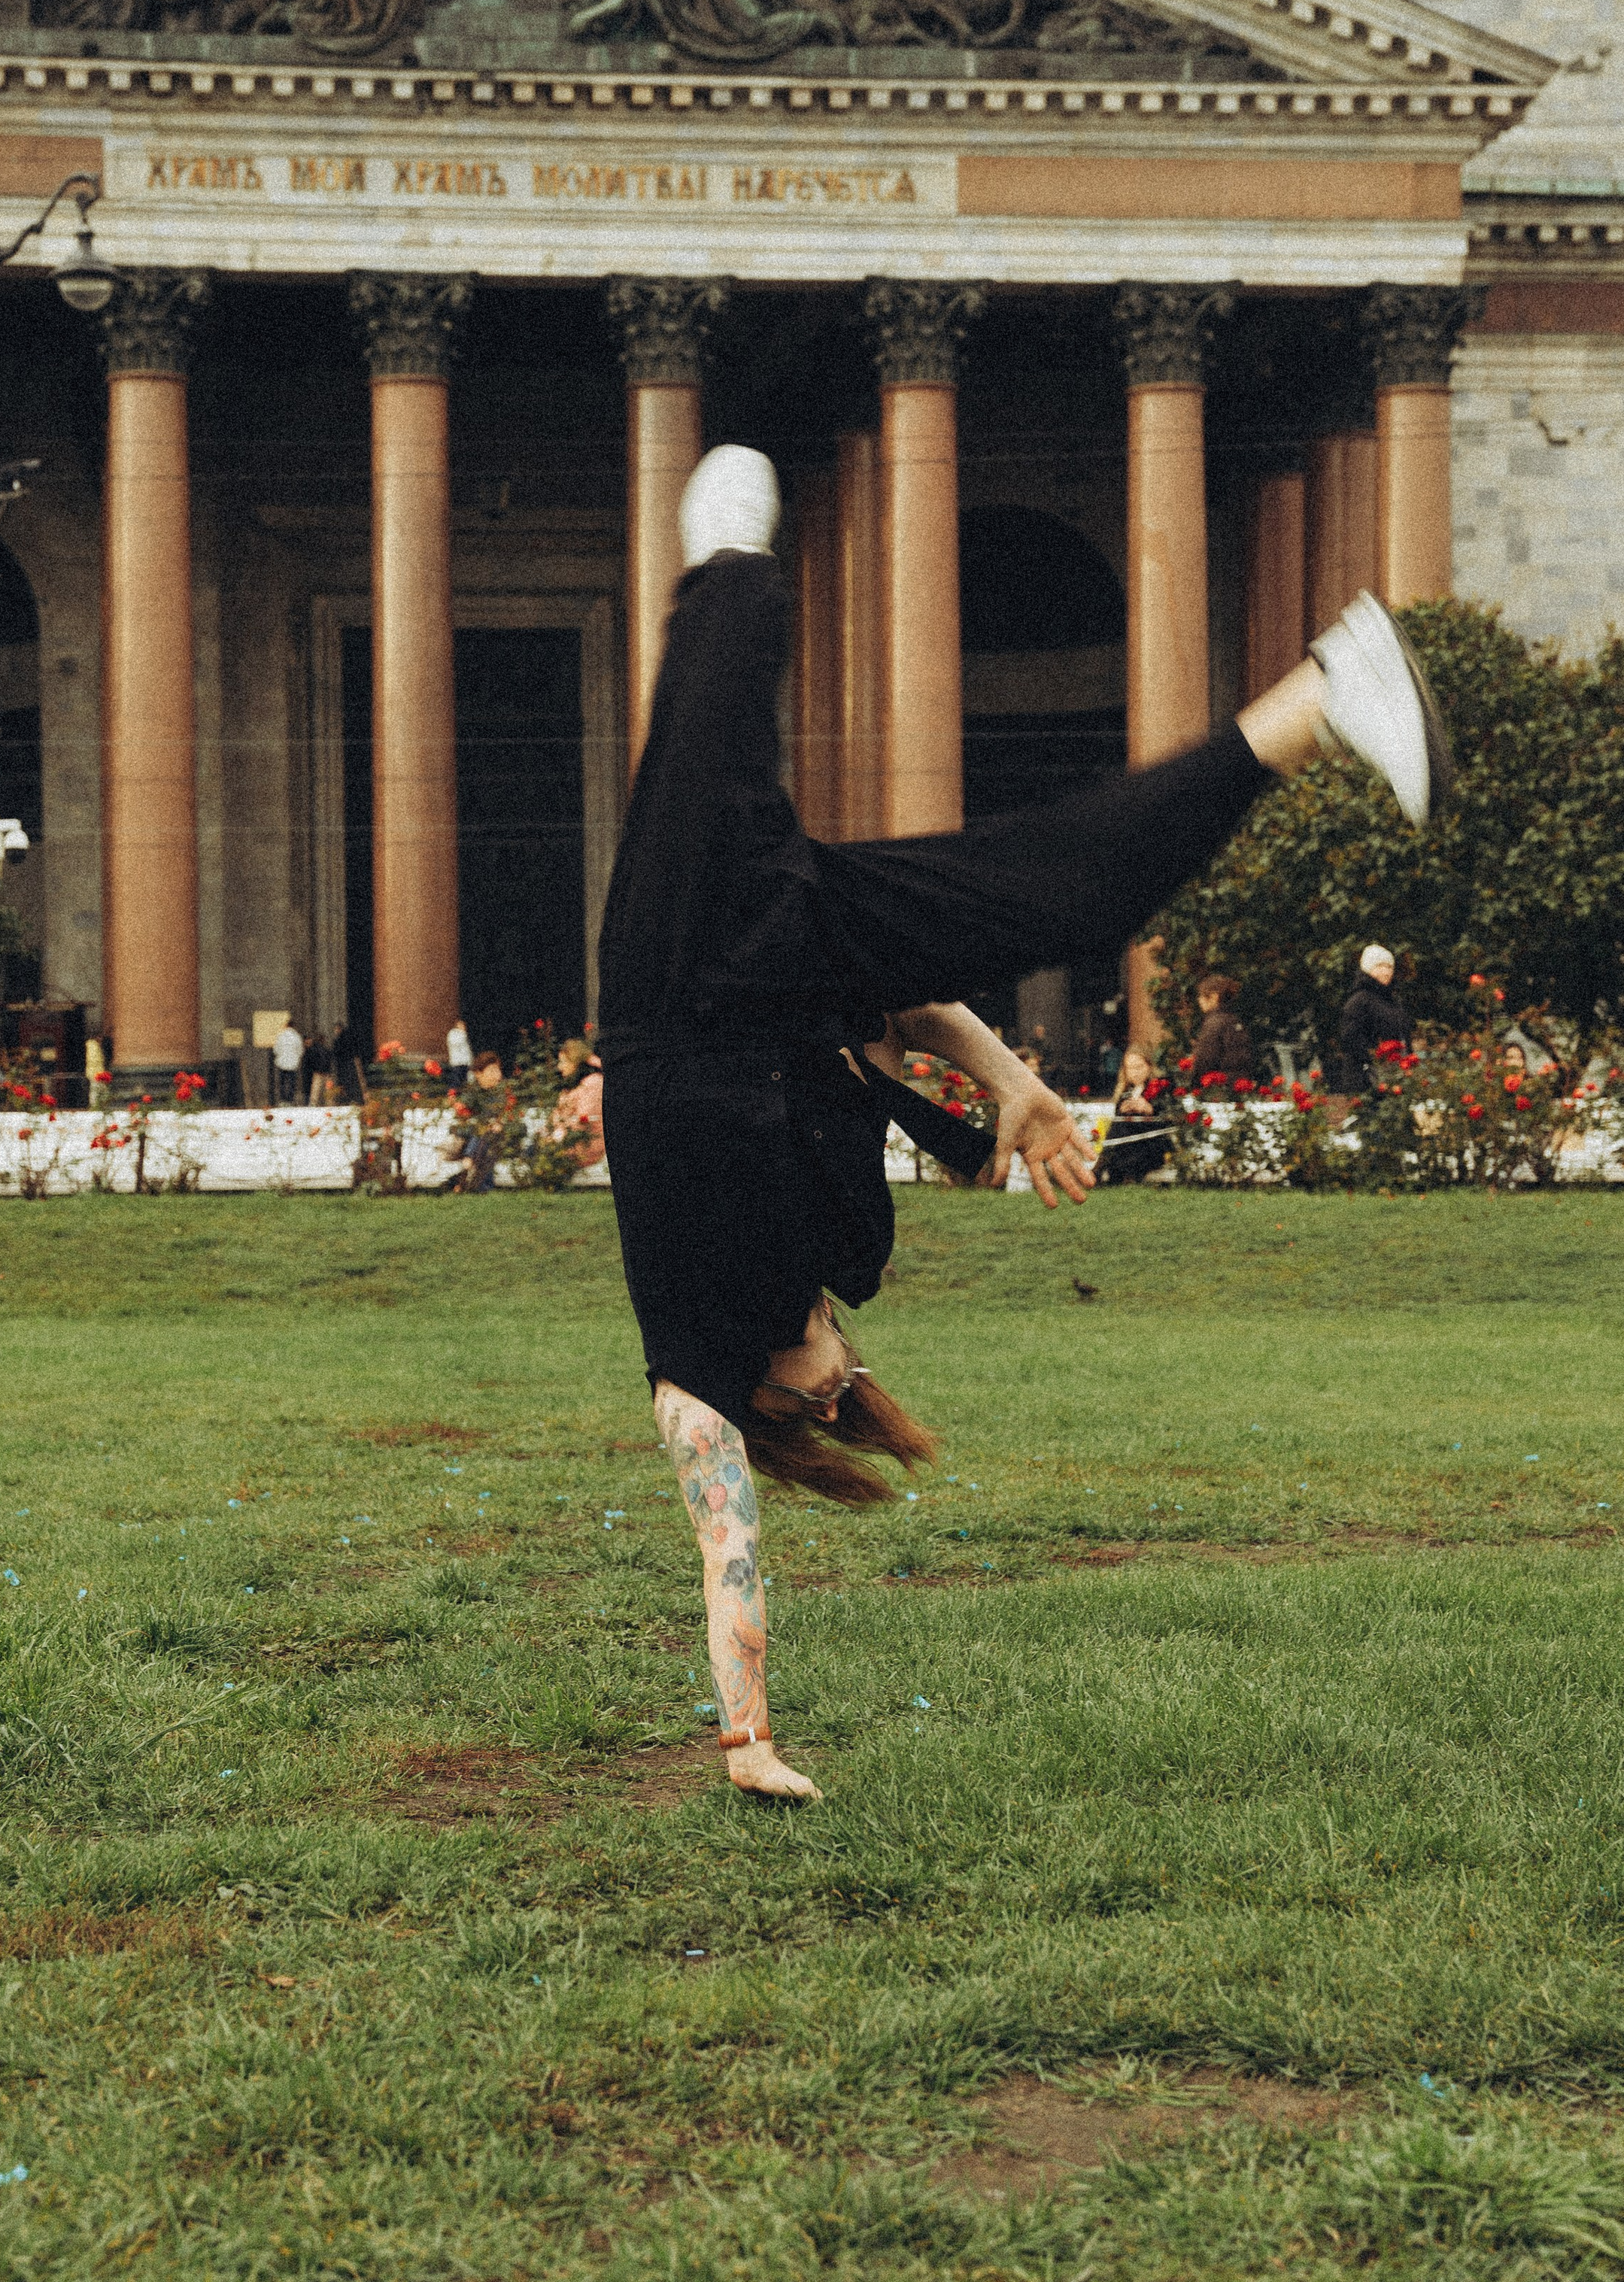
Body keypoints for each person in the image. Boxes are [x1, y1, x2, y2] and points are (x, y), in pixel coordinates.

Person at [597, 463, 1449, 1802]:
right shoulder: (841, 1241)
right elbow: (907, 1012)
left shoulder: (694, 1364)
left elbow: (726, 1549)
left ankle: (727, 566)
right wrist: (1018, 1090)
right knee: (1058, 899)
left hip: (665, 985)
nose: (833, 1388)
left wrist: (740, 1736)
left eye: (812, 1404)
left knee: (714, 717)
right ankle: (1319, 698)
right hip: (788, 967)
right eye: (838, 1398)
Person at [1332, 944, 1411, 1093]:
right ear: (1368, 969)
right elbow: (1350, 1038)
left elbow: (1404, 1037)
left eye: (1389, 967)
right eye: (1380, 966)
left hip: (1395, 1075)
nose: (1386, 972)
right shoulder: (1359, 1001)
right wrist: (1375, 1058)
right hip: (1366, 1079)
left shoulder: (1393, 1002)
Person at [1098, 1044, 1173, 1186]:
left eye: (1139, 1067)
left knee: (1119, 1126)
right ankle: (1103, 1168)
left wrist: (1149, 1110)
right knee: (1119, 1123)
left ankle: (1099, 1167)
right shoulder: (1126, 1091)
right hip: (1127, 1146)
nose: (1135, 1072)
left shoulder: (1161, 1086)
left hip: (1151, 1145)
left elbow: (1169, 1118)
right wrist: (1125, 1111)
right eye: (1130, 1068)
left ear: (1149, 1066)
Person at [1191, 974, 1255, 1083]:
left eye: (1202, 996)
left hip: (1219, 1087)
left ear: (1215, 997)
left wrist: (1193, 1081)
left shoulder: (1214, 1023)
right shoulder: (1235, 1020)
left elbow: (1206, 1059)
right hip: (1242, 1084)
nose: (1199, 1000)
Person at [272, 1015, 305, 1106]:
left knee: (282, 1081)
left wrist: (280, 1056)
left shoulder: (281, 1036)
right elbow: (300, 1050)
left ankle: (283, 1099)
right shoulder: (297, 1037)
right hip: (293, 1062)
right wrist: (297, 1058)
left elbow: (276, 1049)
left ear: (286, 1025)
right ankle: (290, 1099)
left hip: (282, 1062)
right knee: (292, 1082)